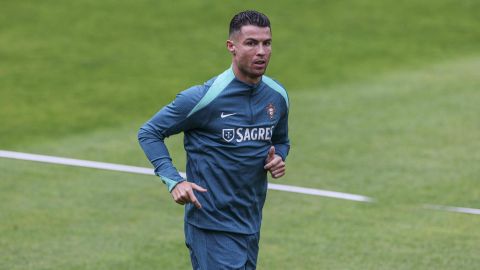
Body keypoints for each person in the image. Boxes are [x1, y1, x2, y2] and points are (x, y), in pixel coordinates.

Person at [138, 10, 290, 270]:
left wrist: (279, 158)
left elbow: (281, 140)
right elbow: (149, 132)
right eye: (251, 43)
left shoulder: (276, 96)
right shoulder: (204, 98)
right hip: (211, 224)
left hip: (250, 222)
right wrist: (174, 180)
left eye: (267, 43)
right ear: (232, 46)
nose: (261, 51)